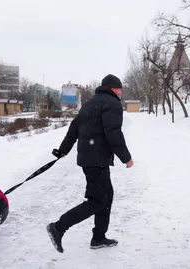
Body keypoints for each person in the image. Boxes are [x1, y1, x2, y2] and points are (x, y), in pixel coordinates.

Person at [46, 74, 134, 253]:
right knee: (97, 201)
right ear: (112, 88)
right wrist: (126, 157)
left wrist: (64, 149)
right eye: (119, 88)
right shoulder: (112, 103)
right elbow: (113, 132)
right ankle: (58, 227)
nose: (121, 91)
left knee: (106, 195)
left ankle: (99, 237)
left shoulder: (91, 102)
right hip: (97, 158)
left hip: (90, 157)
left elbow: (74, 127)